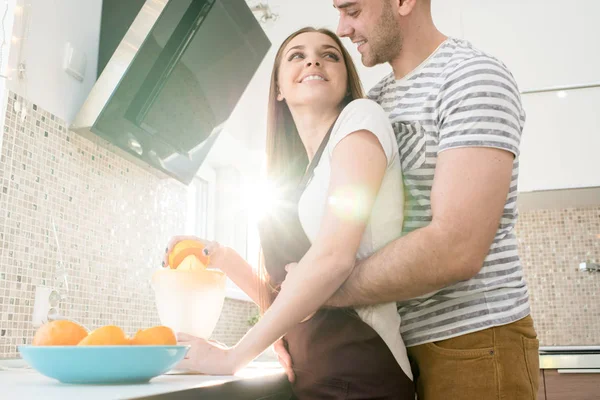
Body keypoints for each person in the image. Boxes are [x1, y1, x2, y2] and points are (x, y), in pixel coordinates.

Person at [276, 1, 539, 399]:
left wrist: (312, 297)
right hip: (398, 348)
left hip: (474, 340)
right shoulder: (374, 103)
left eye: (352, 10)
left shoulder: (471, 76)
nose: (343, 29)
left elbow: (457, 249)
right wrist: (291, 323)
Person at [164, 27, 415, 399]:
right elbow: (291, 297)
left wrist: (233, 357)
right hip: (314, 376)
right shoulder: (303, 181)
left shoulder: (362, 118)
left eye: (330, 55)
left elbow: (333, 260)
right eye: (296, 55)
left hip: (362, 371)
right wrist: (223, 258)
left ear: (347, 82)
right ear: (279, 88)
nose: (313, 59)